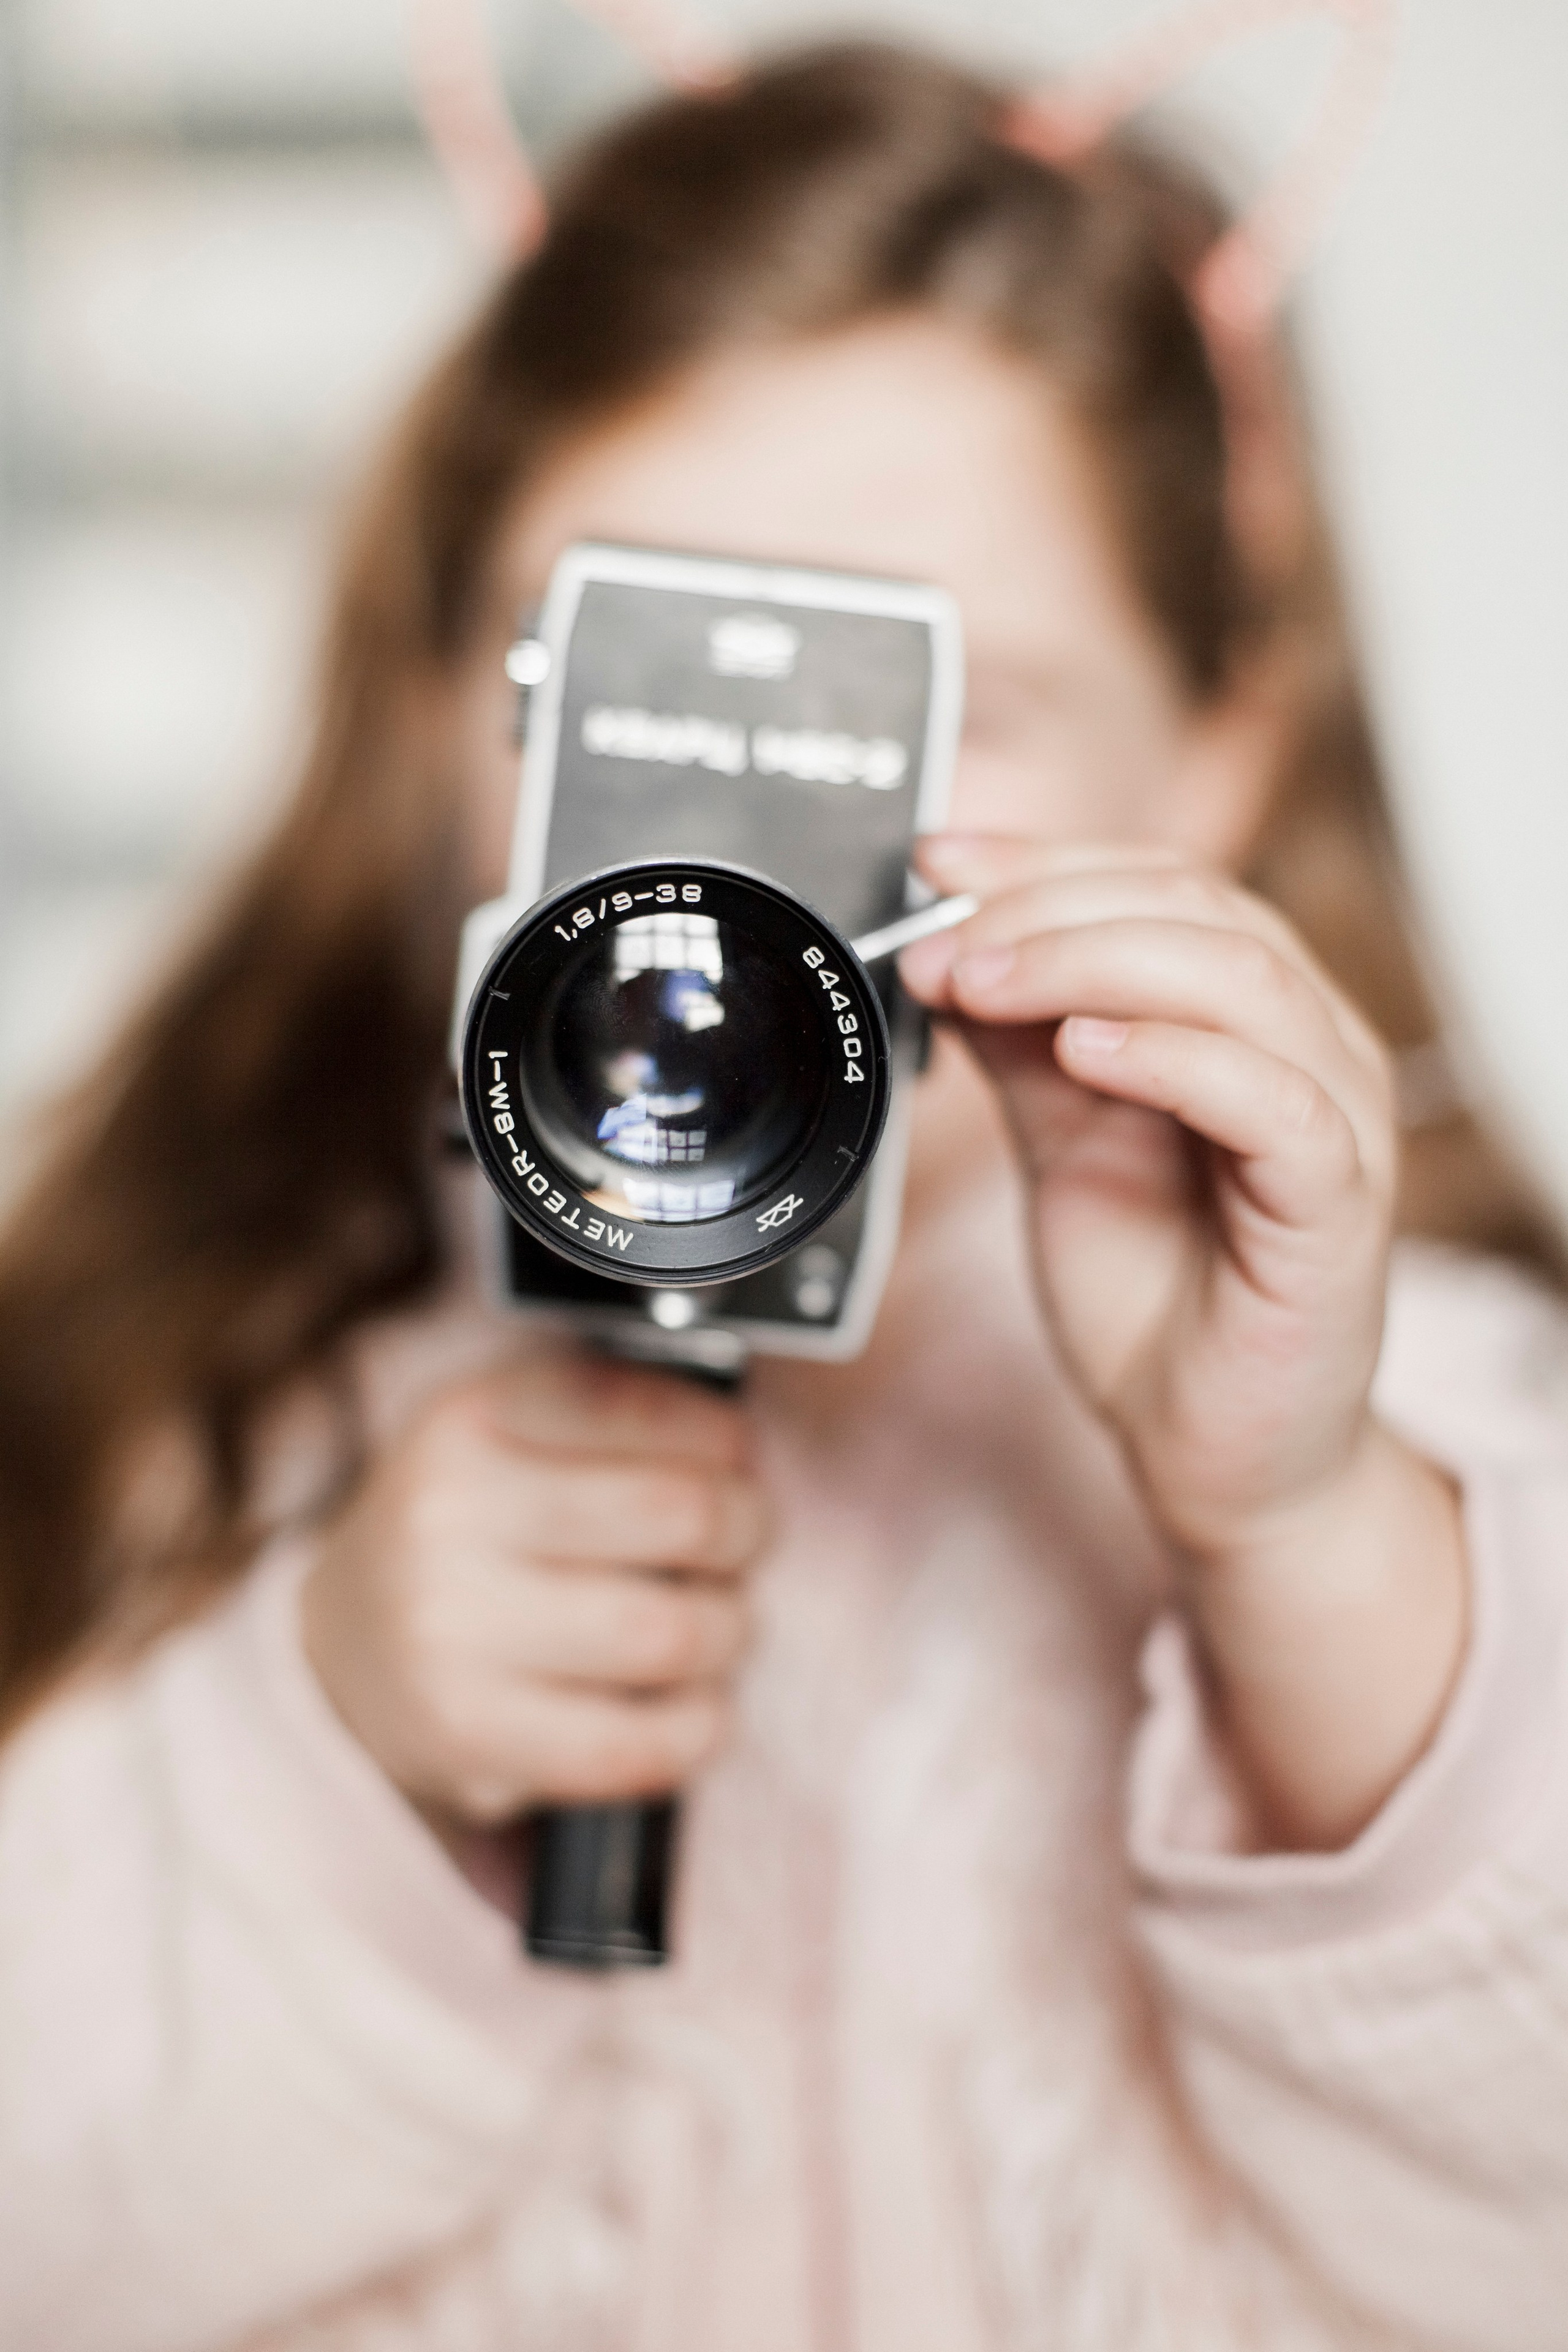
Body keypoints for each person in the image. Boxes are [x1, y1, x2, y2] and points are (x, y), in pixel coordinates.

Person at [2, 38, 1567, 2352]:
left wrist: (1316, 1553)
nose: (754, 879)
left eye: (933, 720)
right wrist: (326, 1763)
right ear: (445, 703)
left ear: (1223, 750)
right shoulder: (192, 1400)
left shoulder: (1452, 1454)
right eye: (624, 694)